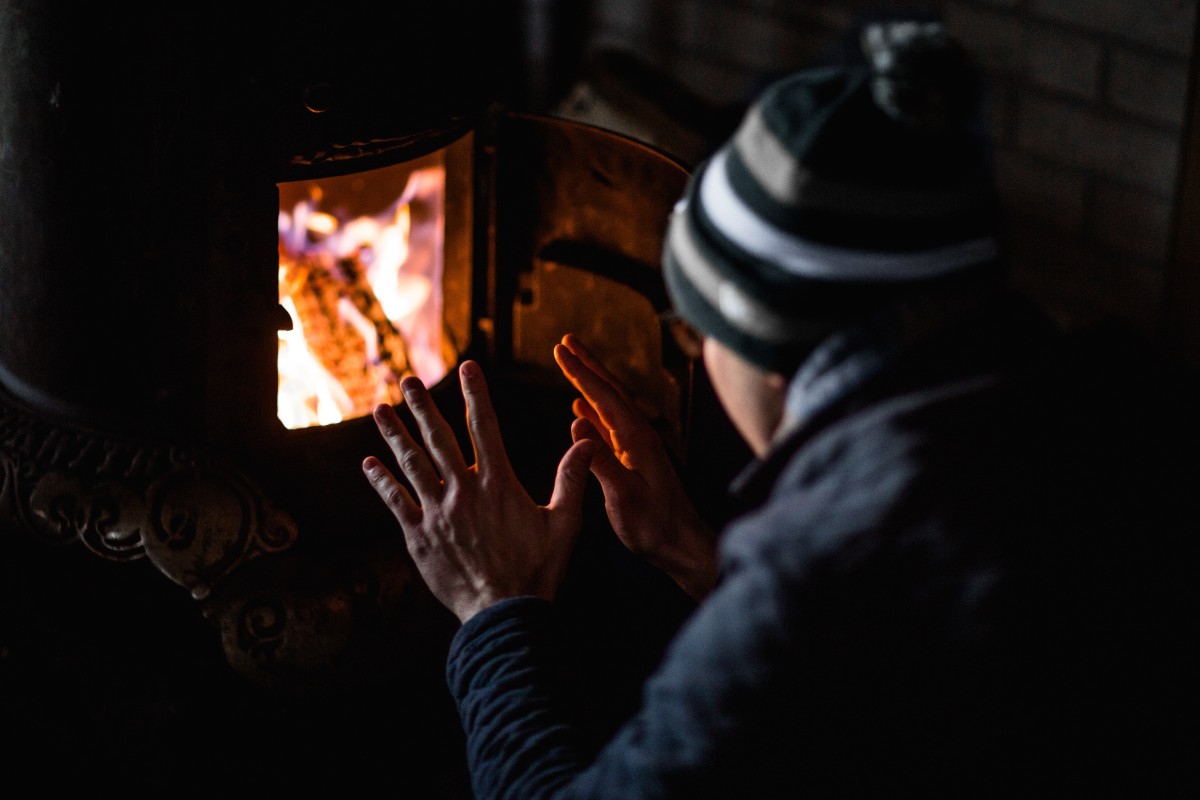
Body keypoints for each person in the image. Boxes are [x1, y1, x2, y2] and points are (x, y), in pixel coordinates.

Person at [362, 19, 1197, 798]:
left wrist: (495, 605)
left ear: (764, 346)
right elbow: (876, 686)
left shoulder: (814, 577)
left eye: (695, 329)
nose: (696, 354)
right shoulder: (1110, 402)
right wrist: (693, 553)